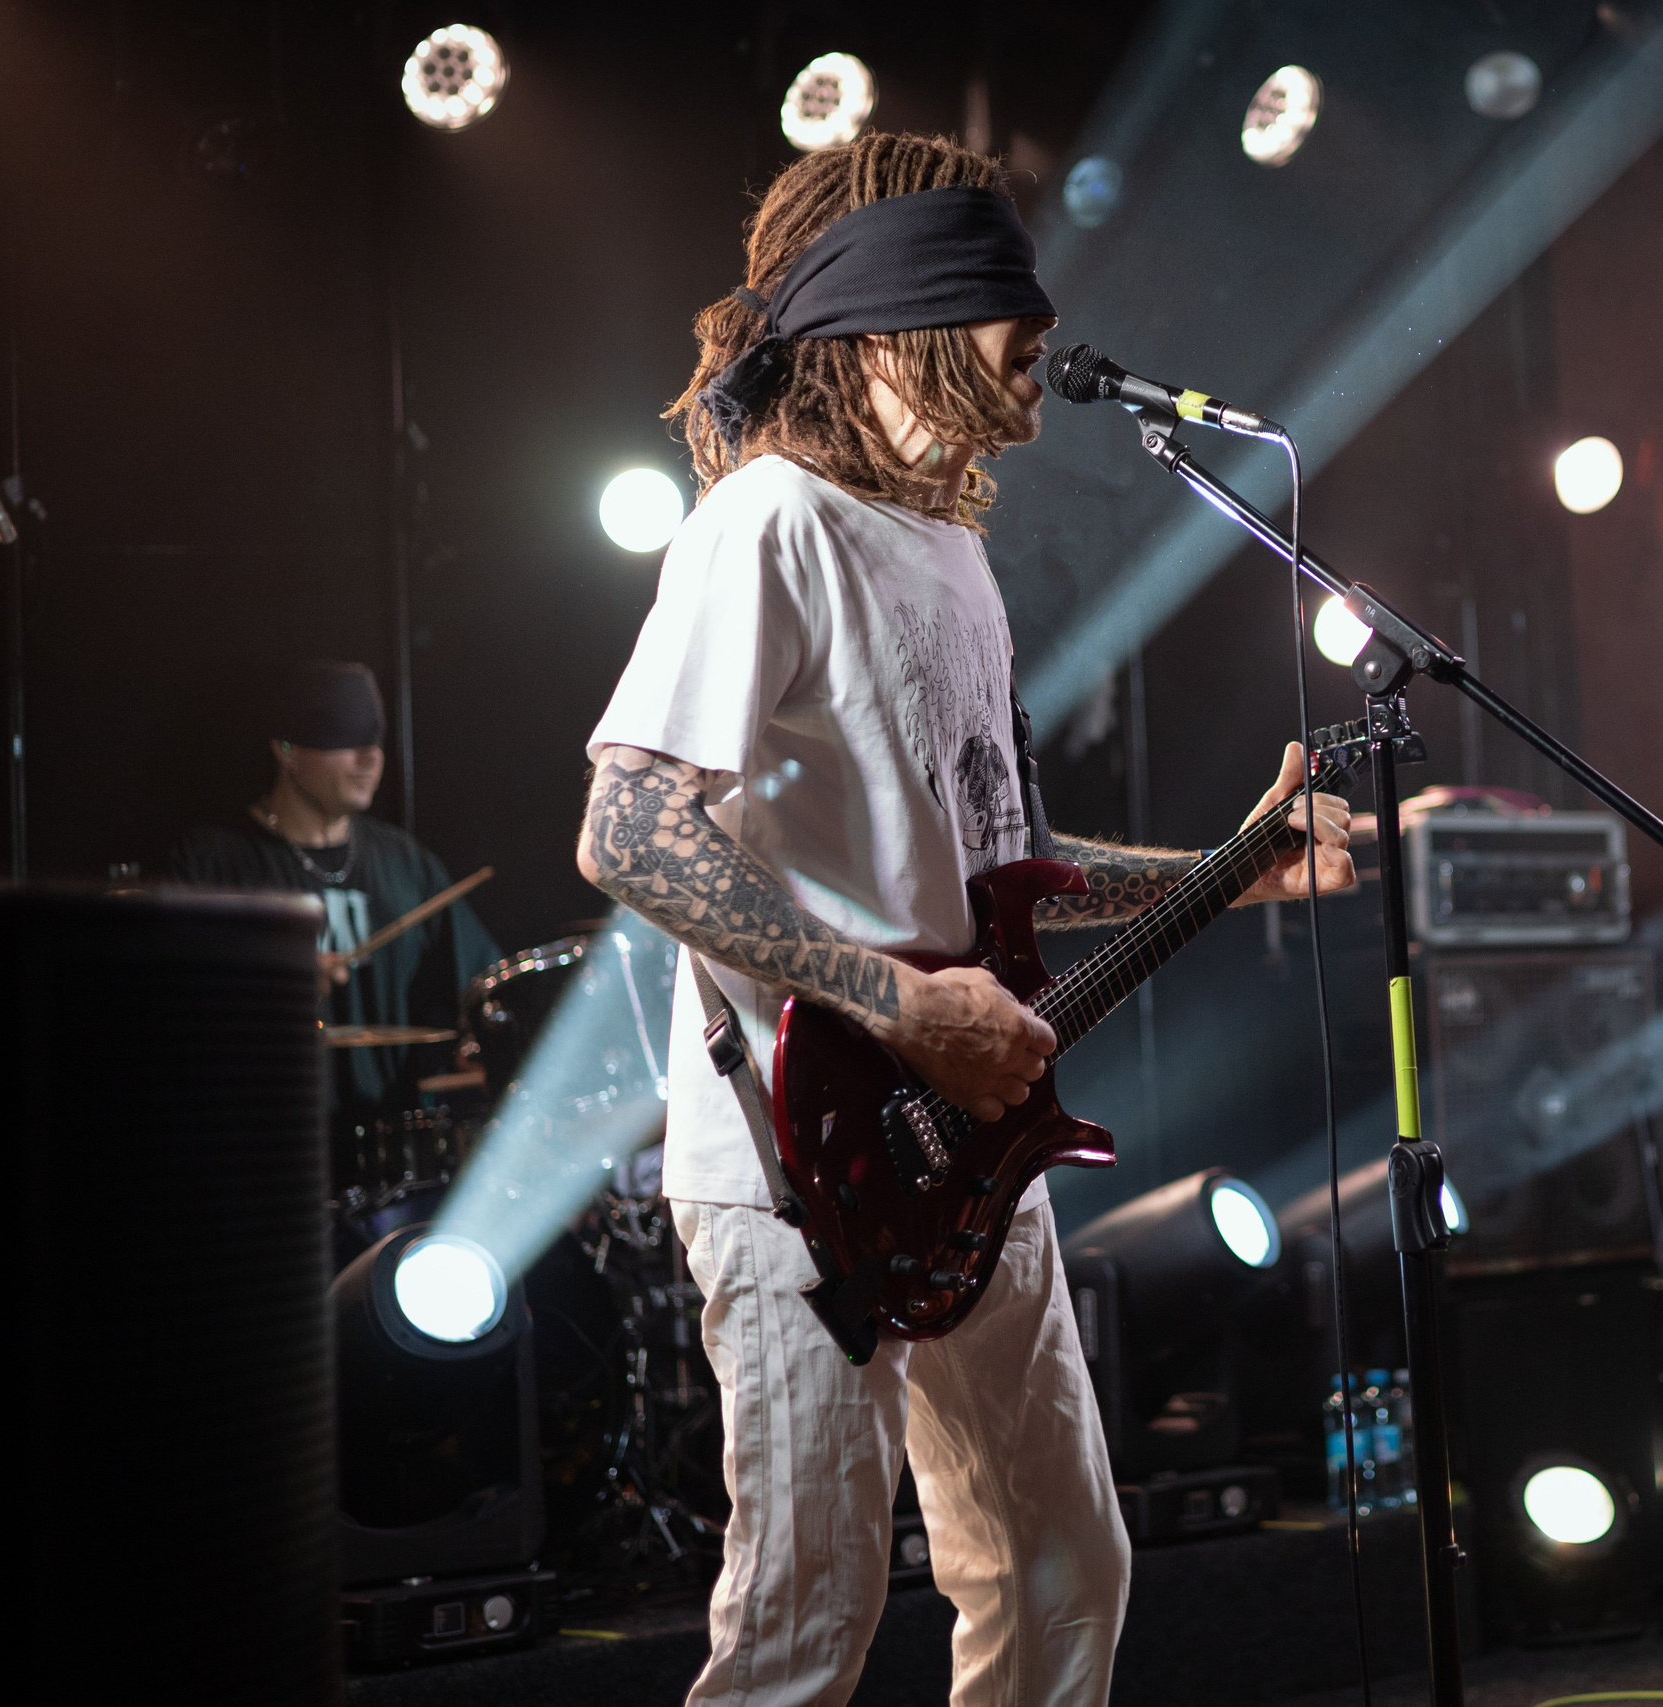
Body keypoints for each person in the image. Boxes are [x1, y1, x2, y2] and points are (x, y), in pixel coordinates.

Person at [574, 133, 1354, 1707]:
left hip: (968, 1152)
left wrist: (1230, 867)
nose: (1040, 338)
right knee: (804, 1627)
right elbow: (628, 826)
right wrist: (902, 1004)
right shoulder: (769, 521)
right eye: (1002, 304)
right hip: (795, 1158)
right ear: (896, 313)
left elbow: (1013, 858)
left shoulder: (951, 551)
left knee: (1062, 1564)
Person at [170, 658, 498, 1137]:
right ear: (286, 750)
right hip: (261, 1141)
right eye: (345, 739)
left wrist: (478, 1041)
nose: (370, 758)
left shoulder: (405, 861)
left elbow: (484, 983)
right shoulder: (214, 864)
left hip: (390, 1145)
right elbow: (170, 1012)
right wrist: (272, 985)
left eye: (375, 741)